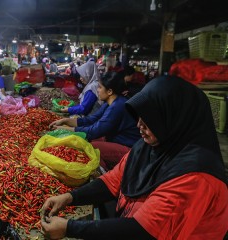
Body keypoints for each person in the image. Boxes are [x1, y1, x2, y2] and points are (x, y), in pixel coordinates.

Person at [41, 76, 228, 240]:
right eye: (139, 117)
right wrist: (69, 197)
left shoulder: (196, 176)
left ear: (174, 120)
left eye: (150, 120)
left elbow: (145, 230)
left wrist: (70, 228)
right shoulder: (149, 147)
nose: (139, 125)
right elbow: (113, 181)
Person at [50, 71, 140, 171]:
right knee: (90, 140)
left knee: (91, 147)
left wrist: (64, 129)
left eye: (100, 87)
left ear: (109, 91)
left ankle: (105, 175)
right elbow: (91, 120)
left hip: (130, 149)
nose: (97, 90)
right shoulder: (110, 103)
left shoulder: (118, 106)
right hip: (117, 140)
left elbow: (94, 131)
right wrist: (65, 121)